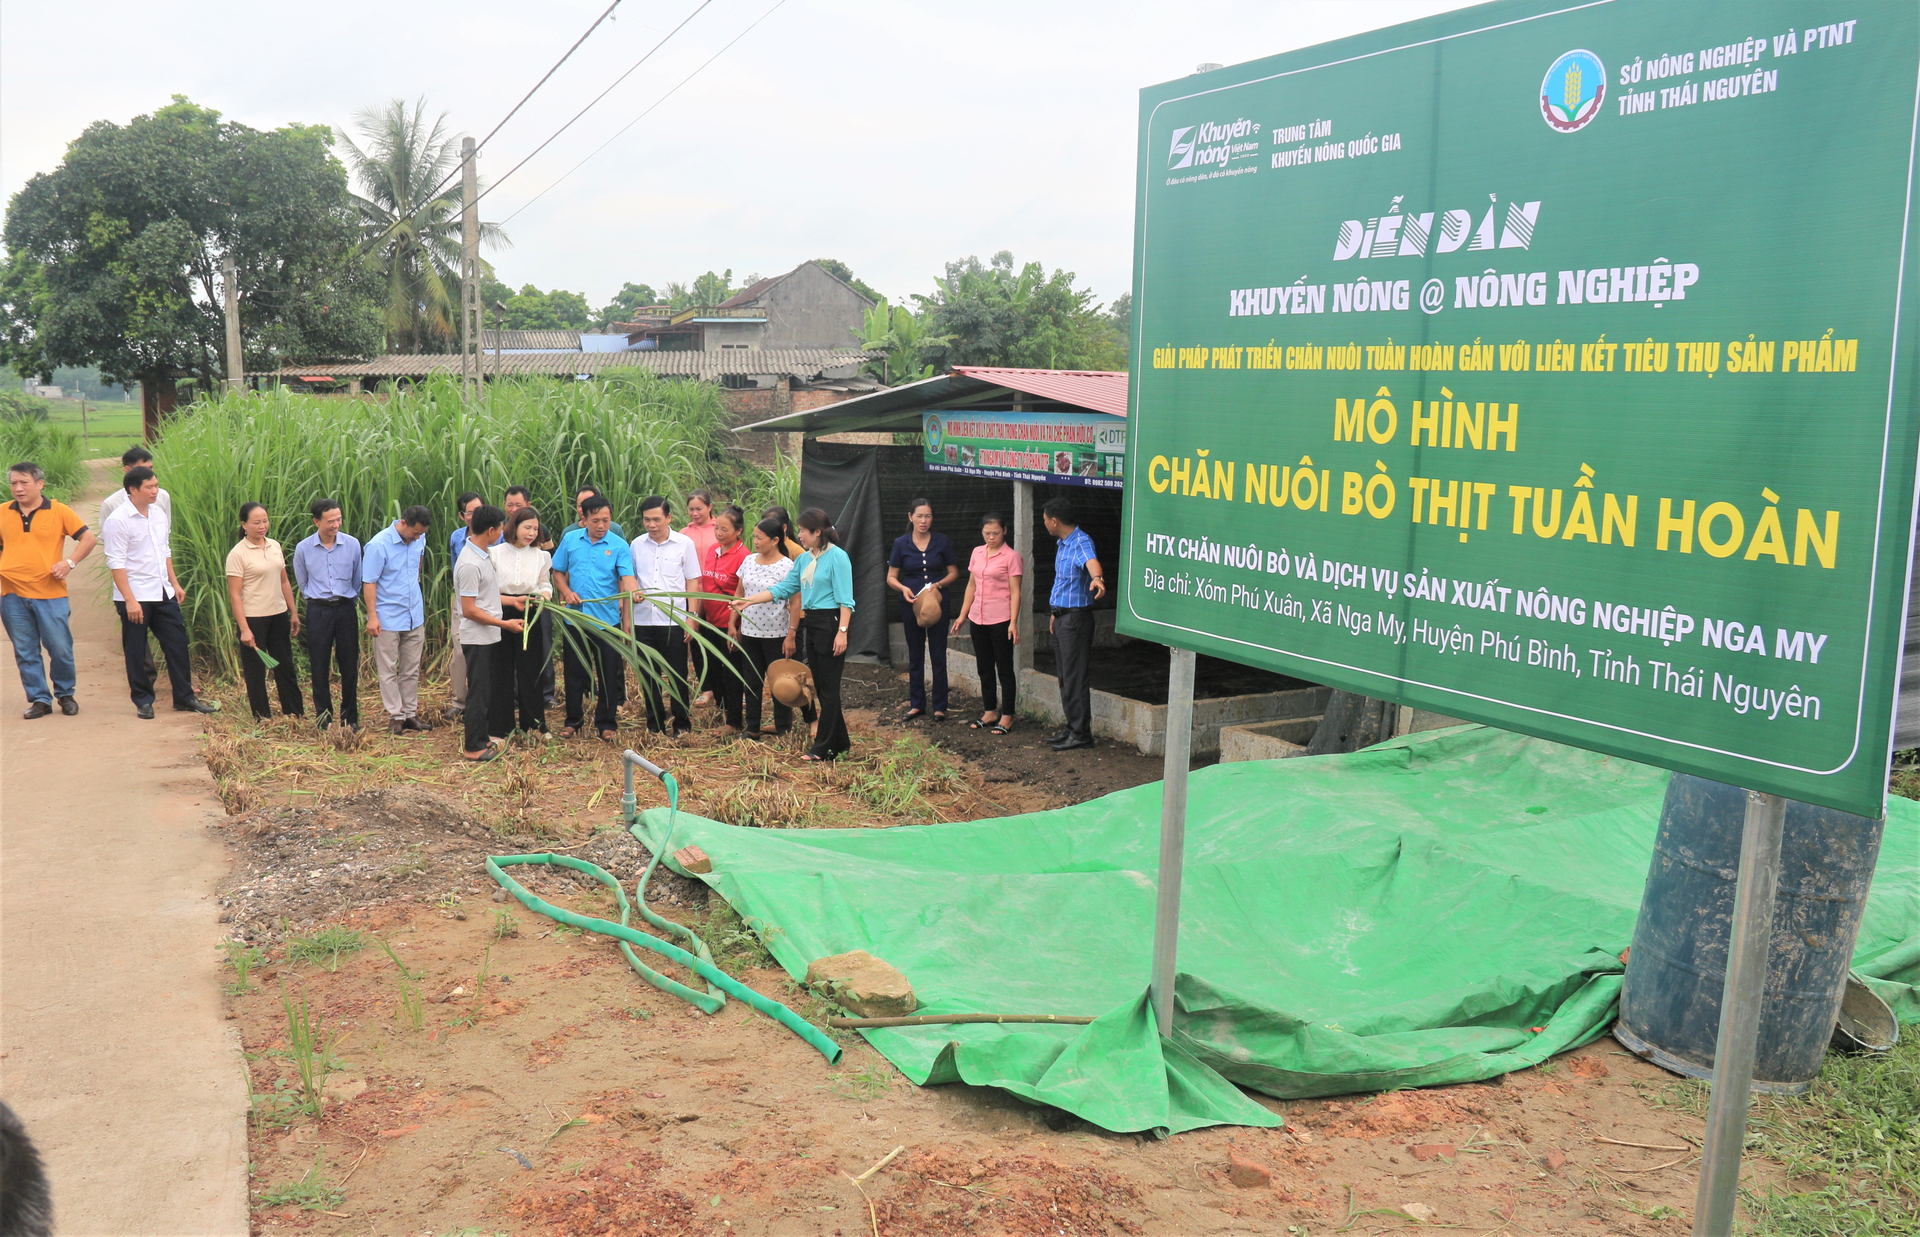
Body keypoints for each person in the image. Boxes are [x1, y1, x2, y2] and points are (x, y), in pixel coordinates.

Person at [732, 507, 853, 762]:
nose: (799, 536)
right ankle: (840, 742)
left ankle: (824, 748)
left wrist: (842, 632)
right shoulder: (804, 559)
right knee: (820, 686)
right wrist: (749, 601)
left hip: (830, 622)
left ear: (817, 532)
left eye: (803, 531)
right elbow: (785, 587)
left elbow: (845, 600)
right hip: (812, 623)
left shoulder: (837, 557)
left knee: (829, 689)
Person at [104, 466, 217, 718]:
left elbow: (164, 551)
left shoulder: (157, 514)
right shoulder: (118, 520)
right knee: (136, 648)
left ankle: (185, 697)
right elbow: (116, 563)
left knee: (177, 643)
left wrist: (174, 583)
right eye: (150, 487)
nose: (155, 491)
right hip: (135, 595)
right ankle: (143, 700)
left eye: (156, 485)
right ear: (133, 490)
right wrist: (130, 600)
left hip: (162, 591)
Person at [0, 461, 95, 718]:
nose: (18, 488)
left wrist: (69, 562)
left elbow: (88, 538)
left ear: (40, 484)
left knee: (60, 648)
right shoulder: (2, 512)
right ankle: (40, 699)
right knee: (25, 650)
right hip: (12, 595)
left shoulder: (58, 511)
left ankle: (65, 694)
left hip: (50, 593)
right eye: (13, 483)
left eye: (24, 483)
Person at [551, 493, 637, 741]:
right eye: (596, 520)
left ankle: (607, 722)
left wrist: (635, 592)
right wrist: (567, 592)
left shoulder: (618, 546)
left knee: (609, 672)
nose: (601, 526)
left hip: (606, 620)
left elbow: (627, 578)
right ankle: (573, 720)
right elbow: (558, 572)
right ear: (584, 518)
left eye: (606, 520)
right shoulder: (570, 540)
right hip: (575, 619)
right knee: (574, 672)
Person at [453, 505, 523, 762]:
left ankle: (482, 738)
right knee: (479, 694)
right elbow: (470, 610)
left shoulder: (482, 555)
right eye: (502, 526)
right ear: (491, 530)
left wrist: (513, 601)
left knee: (486, 691)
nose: (504, 531)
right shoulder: (470, 564)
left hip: (488, 635)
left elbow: (485, 596)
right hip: (478, 638)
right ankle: (473, 746)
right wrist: (505, 624)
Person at [224, 502, 304, 720]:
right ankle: (262, 717)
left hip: (278, 614)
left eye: (265, 521)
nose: (262, 526)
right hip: (253, 617)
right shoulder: (238, 554)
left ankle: (294, 713)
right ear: (244, 524)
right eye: (256, 522)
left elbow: (284, 582)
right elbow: (235, 594)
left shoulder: (274, 546)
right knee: (256, 671)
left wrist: (293, 612)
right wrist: (244, 629)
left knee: (285, 665)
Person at [629, 496, 700, 736]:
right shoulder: (636, 545)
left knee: (677, 674)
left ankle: (681, 724)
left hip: (674, 621)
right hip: (643, 620)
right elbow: (630, 579)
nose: (651, 525)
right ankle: (655, 725)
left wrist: (692, 618)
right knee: (649, 676)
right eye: (647, 520)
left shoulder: (684, 544)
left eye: (656, 519)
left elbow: (693, 581)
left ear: (668, 518)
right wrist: (632, 598)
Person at [293, 497, 363, 730]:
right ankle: (324, 718)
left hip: (345, 609)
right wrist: (317, 599)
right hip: (318, 610)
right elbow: (303, 582)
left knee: (349, 665)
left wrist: (348, 600)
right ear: (316, 522)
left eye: (339, 519)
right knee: (319, 665)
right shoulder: (304, 548)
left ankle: (350, 718)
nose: (335, 525)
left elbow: (357, 578)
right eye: (330, 521)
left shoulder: (352, 544)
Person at [363, 505, 434, 735]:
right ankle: (396, 715)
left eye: (421, 534)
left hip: (414, 614)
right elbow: (370, 582)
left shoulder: (419, 541)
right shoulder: (378, 545)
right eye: (415, 533)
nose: (417, 537)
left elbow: (417, 569)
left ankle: (410, 714)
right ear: (403, 523)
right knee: (388, 669)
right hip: (387, 617)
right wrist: (372, 616)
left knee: (411, 669)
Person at [951, 511, 1023, 736]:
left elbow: (1015, 591)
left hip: (1000, 619)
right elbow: (971, 586)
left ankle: (1008, 715)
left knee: (1004, 667)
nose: (991, 537)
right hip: (978, 618)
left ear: (1005, 532)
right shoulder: (977, 552)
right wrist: (963, 615)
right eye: (987, 533)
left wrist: (1013, 622)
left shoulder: (1011, 557)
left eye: (996, 533)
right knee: (984, 667)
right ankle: (990, 710)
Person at [887, 497, 959, 721]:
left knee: (938, 654)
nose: (923, 520)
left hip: (937, 603)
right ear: (910, 517)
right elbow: (891, 577)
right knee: (915, 654)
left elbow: (954, 572)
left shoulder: (941, 541)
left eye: (928, 516)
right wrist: (903, 588)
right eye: (919, 515)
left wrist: (939, 584)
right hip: (911, 605)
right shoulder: (901, 543)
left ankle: (940, 706)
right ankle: (917, 703)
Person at [100, 445, 169, 679]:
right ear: (128, 472)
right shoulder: (112, 506)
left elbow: (163, 541)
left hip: (159, 581)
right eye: (142, 471)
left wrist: (172, 580)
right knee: (136, 639)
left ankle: (182, 690)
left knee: (174, 638)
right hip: (133, 582)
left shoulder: (161, 499)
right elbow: (114, 551)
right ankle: (144, 683)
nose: (152, 484)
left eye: (151, 471)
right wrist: (128, 596)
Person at [1043, 497, 1105, 751]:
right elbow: (1063, 583)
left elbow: (1091, 561)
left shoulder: (1080, 541)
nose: (1044, 523)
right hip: (1062, 617)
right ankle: (1072, 727)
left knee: (1075, 675)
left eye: (1045, 519)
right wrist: (1055, 613)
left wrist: (1098, 579)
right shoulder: (1063, 544)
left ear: (1054, 521)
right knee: (1065, 677)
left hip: (1076, 620)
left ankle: (1081, 733)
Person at [732, 515, 801, 739]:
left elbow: (795, 602)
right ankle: (752, 727)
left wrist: (791, 634)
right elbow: (739, 593)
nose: (756, 542)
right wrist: (733, 623)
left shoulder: (787, 566)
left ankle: (783, 727)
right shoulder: (749, 561)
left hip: (776, 633)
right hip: (750, 632)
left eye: (760, 538)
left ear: (775, 540)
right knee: (751, 680)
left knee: (779, 682)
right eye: (754, 537)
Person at [489, 505, 553, 737]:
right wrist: (508, 601)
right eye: (527, 528)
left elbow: (545, 584)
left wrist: (545, 595)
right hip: (501, 612)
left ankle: (534, 725)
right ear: (513, 527)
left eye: (535, 529)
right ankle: (499, 727)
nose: (532, 533)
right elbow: (487, 590)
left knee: (531, 670)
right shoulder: (494, 554)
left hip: (530, 612)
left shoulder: (541, 556)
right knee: (501, 670)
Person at [506, 485, 558, 707]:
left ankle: (544, 695)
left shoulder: (541, 540)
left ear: (528, 504)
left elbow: (546, 575)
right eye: (510, 504)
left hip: (535, 605)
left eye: (519, 504)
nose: (514, 508)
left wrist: (544, 594)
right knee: (509, 654)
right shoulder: (498, 541)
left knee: (540, 649)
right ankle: (513, 695)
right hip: (507, 604)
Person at [700, 506, 749, 733]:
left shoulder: (744, 556)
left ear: (738, 531)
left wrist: (733, 625)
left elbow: (741, 594)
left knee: (731, 673)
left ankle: (734, 721)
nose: (719, 533)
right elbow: (705, 585)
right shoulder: (713, 550)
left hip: (728, 625)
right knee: (713, 670)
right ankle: (723, 710)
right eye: (717, 528)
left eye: (725, 529)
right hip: (708, 621)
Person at [446, 491, 483, 720]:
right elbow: (455, 569)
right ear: (462, 516)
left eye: (480, 510)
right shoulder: (456, 538)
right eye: (471, 512)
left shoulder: (497, 536)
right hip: (462, 601)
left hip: (489, 601)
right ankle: (460, 702)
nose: (476, 516)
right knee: (460, 652)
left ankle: (485, 700)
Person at [680, 490, 718, 705]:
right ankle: (707, 687)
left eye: (699, 508)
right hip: (691, 593)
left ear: (710, 507)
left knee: (718, 639)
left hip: (716, 593)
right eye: (691, 509)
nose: (695, 513)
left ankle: (727, 686)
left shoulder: (719, 529)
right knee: (695, 640)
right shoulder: (683, 533)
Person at [99, 445, 172, 527]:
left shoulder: (162, 496)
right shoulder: (111, 504)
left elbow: (166, 530)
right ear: (127, 470)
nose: (148, 473)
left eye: (150, 468)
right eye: (142, 469)